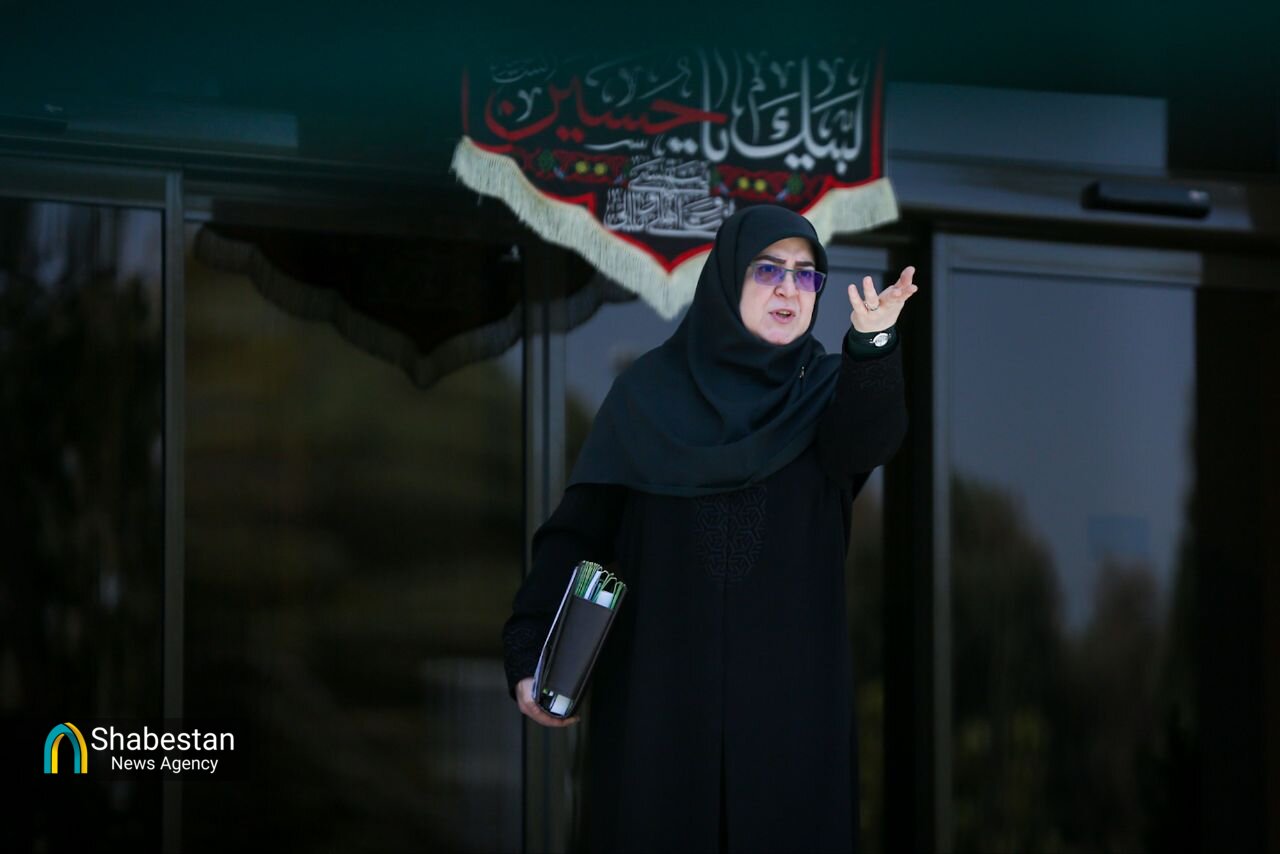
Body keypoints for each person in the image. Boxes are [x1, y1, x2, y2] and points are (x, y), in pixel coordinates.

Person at [501, 204, 916, 853]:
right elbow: (578, 537)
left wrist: (872, 344)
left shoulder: (825, 394)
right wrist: (531, 654)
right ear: (726, 278)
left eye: (806, 275)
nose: (789, 288)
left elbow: (869, 439)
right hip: (656, 716)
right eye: (768, 270)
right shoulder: (645, 397)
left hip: (790, 726)